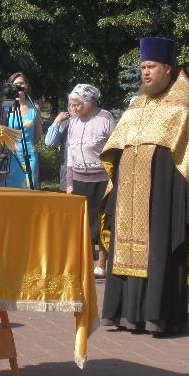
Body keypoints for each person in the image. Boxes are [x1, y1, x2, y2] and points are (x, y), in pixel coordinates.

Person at [100, 37, 189, 335]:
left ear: (168, 69)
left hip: (165, 195)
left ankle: (158, 315)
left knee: (159, 251)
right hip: (129, 195)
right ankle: (124, 313)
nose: (145, 73)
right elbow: (116, 147)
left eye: (151, 67)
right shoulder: (137, 105)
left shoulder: (184, 108)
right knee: (126, 248)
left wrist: (181, 201)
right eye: (143, 68)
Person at [46, 84, 116, 277]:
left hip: (102, 179)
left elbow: (115, 149)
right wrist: (69, 183)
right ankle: (82, 263)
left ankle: (101, 264)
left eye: (77, 104)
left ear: (90, 102)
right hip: (78, 178)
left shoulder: (106, 118)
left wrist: (114, 178)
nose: (74, 108)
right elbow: (70, 153)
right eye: (71, 105)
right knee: (81, 223)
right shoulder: (73, 122)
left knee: (102, 222)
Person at [2, 72, 42, 189]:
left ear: (27, 86)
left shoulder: (34, 108)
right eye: (15, 84)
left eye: (21, 83)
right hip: (9, 155)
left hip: (28, 155)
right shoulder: (6, 107)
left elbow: (37, 137)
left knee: (28, 187)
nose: (18, 86)